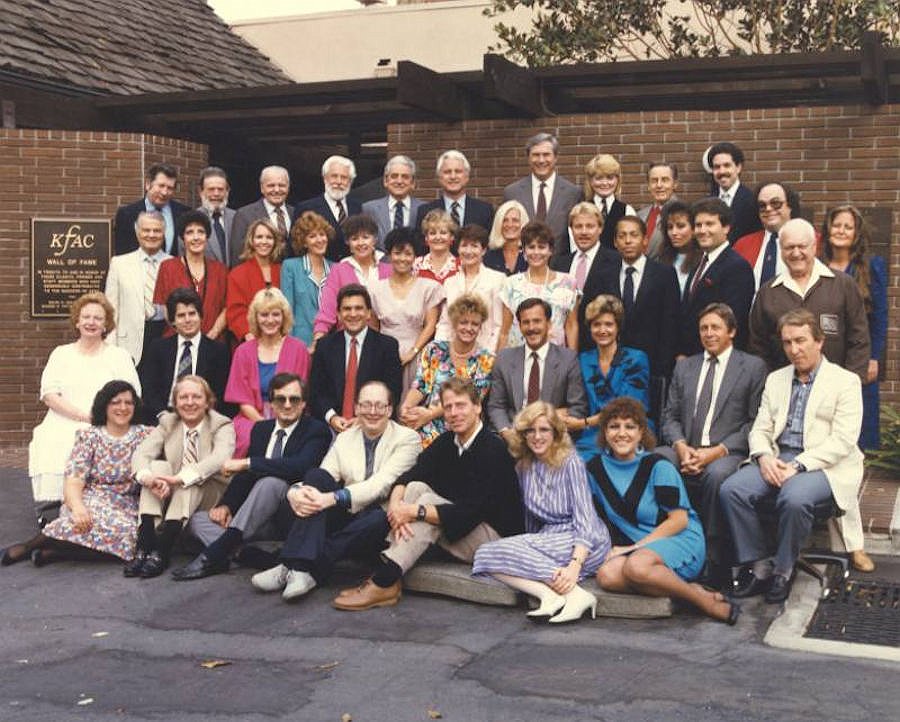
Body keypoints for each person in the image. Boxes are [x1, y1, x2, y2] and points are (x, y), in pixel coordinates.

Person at [332, 378, 524, 611]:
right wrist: (396, 506)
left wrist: (414, 511)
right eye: (448, 407)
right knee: (415, 488)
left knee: (426, 504)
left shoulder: (493, 450)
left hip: (495, 540)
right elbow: (409, 476)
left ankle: (385, 580)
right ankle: (390, 577)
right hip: (461, 525)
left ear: (477, 407)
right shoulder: (448, 442)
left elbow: (466, 514)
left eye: (461, 405)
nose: (454, 413)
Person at [721, 309, 867, 602]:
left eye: (801, 341)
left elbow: (843, 441)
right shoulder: (776, 379)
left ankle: (783, 571)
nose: (794, 349)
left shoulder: (845, 381)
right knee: (732, 490)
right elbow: (760, 428)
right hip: (778, 455)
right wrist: (763, 457)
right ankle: (759, 565)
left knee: (794, 498)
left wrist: (798, 466)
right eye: (787, 342)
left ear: (819, 341)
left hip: (824, 464)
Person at [252, 381, 421, 600]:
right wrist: (295, 491)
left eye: (379, 405)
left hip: (381, 522)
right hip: (349, 514)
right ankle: (297, 569)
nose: (372, 411)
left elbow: (381, 485)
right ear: (356, 408)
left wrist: (332, 498)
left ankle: (300, 566)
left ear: (389, 410)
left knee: (378, 518)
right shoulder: (345, 438)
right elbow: (325, 475)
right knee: (316, 476)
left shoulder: (408, 439)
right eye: (366, 405)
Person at [588, 397, 738, 624]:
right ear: (605, 433)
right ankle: (690, 590)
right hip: (641, 550)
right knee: (607, 576)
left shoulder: (658, 465)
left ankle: (703, 603)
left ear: (641, 433)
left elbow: (679, 521)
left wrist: (634, 548)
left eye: (630, 427)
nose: (622, 433)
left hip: (678, 538)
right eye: (614, 426)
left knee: (637, 567)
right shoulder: (595, 469)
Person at [172, 374, 330, 580]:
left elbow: (299, 466)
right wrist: (226, 506)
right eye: (280, 399)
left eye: (294, 399)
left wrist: (247, 462)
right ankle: (245, 554)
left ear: (303, 404)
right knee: (198, 520)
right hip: (254, 517)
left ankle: (215, 555)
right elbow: (246, 477)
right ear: (271, 403)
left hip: (289, 514)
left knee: (271, 483)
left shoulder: (316, 430)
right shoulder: (262, 429)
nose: (287, 405)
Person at [656, 303, 767, 585]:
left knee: (717, 475)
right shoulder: (685, 367)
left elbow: (754, 422)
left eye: (715, 327)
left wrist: (715, 453)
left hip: (727, 451)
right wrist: (681, 447)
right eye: (703, 328)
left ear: (732, 331)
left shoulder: (752, 367)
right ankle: (661, 542)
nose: (708, 333)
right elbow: (669, 416)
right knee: (656, 460)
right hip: (687, 447)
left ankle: (712, 555)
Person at [472, 402, 611, 623]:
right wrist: (526, 551)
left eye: (544, 430)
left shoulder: (571, 462)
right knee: (485, 554)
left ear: (555, 433)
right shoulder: (523, 467)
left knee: (495, 551)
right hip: (550, 539)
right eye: (531, 430)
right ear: (523, 435)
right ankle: (552, 595)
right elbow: (531, 523)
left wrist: (575, 565)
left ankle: (572, 592)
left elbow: (586, 520)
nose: (537, 436)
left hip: (584, 540)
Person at [4, 382, 151, 567]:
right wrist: (78, 507)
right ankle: (29, 546)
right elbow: (73, 480)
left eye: (128, 403)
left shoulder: (146, 435)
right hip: (91, 497)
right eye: (116, 402)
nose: (123, 408)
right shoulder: (89, 437)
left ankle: (58, 553)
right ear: (104, 405)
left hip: (127, 503)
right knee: (82, 522)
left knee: (129, 539)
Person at [28, 292, 140, 509]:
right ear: (77, 322)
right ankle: (64, 503)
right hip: (63, 418)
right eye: (86, 317)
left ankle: (94, 501)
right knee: (53, 438)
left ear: (106, 324)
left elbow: (131, 394)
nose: (91, 322)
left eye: (98, 318)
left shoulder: (119, 356)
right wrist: (82, 416)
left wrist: (102, 418)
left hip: (107, 422)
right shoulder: (61, 354)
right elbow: (49, 395)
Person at [127, 375, 235, 578]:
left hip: (209, 493)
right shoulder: (168, 422)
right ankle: (144, 543)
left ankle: (162, 549)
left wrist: (182, 478)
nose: (190, 402)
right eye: (183, 397)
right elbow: (142, 454)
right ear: (175, 403)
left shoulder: (221, 424)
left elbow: (220, 458)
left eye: (197, 397)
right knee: (157, 467)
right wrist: (149, 478)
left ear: (207, 401)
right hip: (172, 491)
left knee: (190, 480)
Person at [748, 218, 870, 381]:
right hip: (784, 389)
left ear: (814, 247)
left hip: (834, 388)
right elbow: (758, 347)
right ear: (781, 250)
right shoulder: (767, 293)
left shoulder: (843, 285)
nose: (796, 253)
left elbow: (859, 340)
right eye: (789, 247)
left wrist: (851, 383)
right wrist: (770, 385)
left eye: (802, 246)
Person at [579, 215, 680, 383]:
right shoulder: (601, 274)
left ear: (645, 240)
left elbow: (670, 323)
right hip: (607, 367)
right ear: (615, 242)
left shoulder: (664, 274)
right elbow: (587, 319)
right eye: (622, 236)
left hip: (651, 367)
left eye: (634, 235)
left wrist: (663, 368)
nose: (628, 241)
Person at [822, 205, 887, 450]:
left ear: (856, 233)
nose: (841, 231)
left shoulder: (871, 267)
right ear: (828, 229)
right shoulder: (818, 266)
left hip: (858, 353)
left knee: (858, 416)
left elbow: (880, 316)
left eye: (848, 227)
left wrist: (873, 357)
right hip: (826, 352)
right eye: (837, 225)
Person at [225, 288, 310, 457]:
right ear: (255, 318)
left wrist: (282, 422)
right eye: (264, 315)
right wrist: (265, 426)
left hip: (291, 415)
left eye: (275, 314)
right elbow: (243, 401)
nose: (270, 320)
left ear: (284, 316)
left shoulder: (299, 349)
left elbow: (300, 397)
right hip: (252, 418)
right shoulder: (243, 351)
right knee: (250, 439)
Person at [401, 294, 495, 447]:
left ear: (480, 326)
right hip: (426, 423)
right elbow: (421, 385)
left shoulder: (486, 359)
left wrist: (430, 414)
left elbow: (473, 399)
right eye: (463, 322)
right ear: (454, 323)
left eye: (475, 324)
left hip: (463, 426)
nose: (469, 328)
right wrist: (407, 408)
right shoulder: (435, 349)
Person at [308, 284, 403, 434]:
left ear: (368, 313)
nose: (353, 314)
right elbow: (315, 392)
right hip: (330, 428)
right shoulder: (324, 346)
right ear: (339, 314)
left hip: (374, 425)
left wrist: (362, 418)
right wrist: (332, 417)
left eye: (358, 308)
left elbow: (393, 391)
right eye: (347, 309)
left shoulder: (387, 346)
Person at [489, 298, 588, 441]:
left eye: (537, 321)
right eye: (526, 322)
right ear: (520, 326)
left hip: (552, 437)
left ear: (549, 324)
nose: (531, 328)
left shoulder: (568, 359)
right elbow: (496, 406)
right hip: (514, 435)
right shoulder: (505, 359)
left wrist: (546, 422)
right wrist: (507, 433)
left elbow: (578, 408)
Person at [370, 227, 444, 395]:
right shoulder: (375, 289)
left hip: (417, 355)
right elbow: (374, 327)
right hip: (384, 356)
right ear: (389, 255)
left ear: (415, 256)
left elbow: (431, 324)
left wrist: (413, 352)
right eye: (397, 253)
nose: (402, 258)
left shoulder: (428, 287)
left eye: (408, 254)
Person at [574, 295, 650, 456]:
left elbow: (627, 408)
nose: (602, 330)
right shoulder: (583, 359)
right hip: (592, 435)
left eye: (608, 324)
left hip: (629, 429)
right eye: (596, 324)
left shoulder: (636, 359)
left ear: (617, 327)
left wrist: (583, 423)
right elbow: (578, 400)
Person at [140, 288, 230, 423]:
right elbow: (149, 390)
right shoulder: (158, 348)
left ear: (200, 316)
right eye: (181, 315)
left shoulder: (218, 351)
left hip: (203, 418)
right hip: (163, 417)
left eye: (192, 314)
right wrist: (162, 415)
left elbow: (220, 395)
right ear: (173, 321)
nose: (187, 320)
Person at [678, 198, 754, 356]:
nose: (702, 230)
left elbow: (733, 321)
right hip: (692, 358)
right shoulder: (698, 262)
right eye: (698, 225)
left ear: (726, 227)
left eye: (709, 224)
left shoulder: (737, 267)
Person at [498, 221, 579, 349]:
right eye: (531, 247)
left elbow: (571, 326)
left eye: (541, 247)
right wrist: (500, 359)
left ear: (550, 250)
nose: (536, 252)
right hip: (518, 355)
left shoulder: (567, 283)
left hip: (555, 355)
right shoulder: (511, 284)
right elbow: (504, 331)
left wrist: (572, 357)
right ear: (524, 251)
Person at [311, 214, 391, 342]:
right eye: (354, 238)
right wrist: (317, 341)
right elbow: (327, 312)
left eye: (365, 237)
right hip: (347, 341)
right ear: (348, 242)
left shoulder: (389, 270)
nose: (360, 243)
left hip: (383, 342)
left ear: (374, 240)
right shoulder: (338, 270)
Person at [105, 210, 172, 365]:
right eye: (146, 230)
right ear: (137, 232)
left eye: (157, 230)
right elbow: (111, 310)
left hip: (164, 336)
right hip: (128, 344)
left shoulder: (174, 264)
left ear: (164, 233)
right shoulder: (119, 264)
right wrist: (110, 347)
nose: (151, 235)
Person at [153, 210, 228, 341]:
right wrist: (185, 335)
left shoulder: (220, 270)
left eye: (201, 232)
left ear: (207, 236)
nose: (196, 237)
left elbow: (227, 308)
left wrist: (212, 334)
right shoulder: (168, 267)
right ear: (183, 237)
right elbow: (165, 307)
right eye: (190, 232)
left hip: (213, 341)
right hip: (178, 341)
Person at [435, 224, 505, 352]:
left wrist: (488, 355)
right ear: (458, 249)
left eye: (474, 246)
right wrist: (440, 353)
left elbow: (498, 325)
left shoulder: (497, 280)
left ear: (483, 250)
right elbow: (444, 324)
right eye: (464, 245)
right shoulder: (450, 282)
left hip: (484, 351)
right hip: (452, 353)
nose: (468, 251)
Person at [502, 132, 581, 244]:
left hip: (559, 255)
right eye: (536, 155)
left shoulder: (572, 193)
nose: (541, 160)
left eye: (546, 154)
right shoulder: (512, 193)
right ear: (528, 158)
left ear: (555, 157)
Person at [733, 182, 803, 291]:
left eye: (775, 203)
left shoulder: (810, 242)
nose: (768, 209)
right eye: (762, 205)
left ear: (790, 206)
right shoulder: (742, 245)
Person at [280, 211, 335, 346]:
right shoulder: (290, 267)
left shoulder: (336, 269)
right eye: (312, 236)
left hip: (331, 342)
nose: (319, 240)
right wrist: (291, 345)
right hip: (301, 342)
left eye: (322, 234)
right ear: (304, 242)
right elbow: (287, 311)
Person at [226, 218, 284, 342]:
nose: (264, 241)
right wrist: (249, 334)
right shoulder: (237, 274)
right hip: (250, 339)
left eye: (269, 237)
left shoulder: (283, 271)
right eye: (259, 237)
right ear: (251, 240)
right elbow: (236, 311)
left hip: (280, 338)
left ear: (275, 242)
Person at [113, 162, 189, 255]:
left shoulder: (184, 213)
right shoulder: (126, 214)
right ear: (148, 184)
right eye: (161, 186)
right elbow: (122, 253)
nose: (165, 192)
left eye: (170, 188)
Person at [294, 155, 361, 261]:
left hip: (351, 269)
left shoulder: (357, 207)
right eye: (334, 176)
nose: (339, 181)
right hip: (318, 268)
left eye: (344, 177)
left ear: (350, 181)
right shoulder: (306, 208)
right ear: (325, 178)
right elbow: (297, 246)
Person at [414, 149, 494, 236]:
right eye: (447, 172)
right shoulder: (425, 211)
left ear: (467, 176)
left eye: (458, 171)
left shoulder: (485, 210)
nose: (453, 176)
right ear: (439, 177)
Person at [551, 202, 619, 296]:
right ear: (571, 230)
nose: (584, 232)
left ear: (600, 228)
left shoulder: (615, 261)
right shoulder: (559, 264)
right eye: (578, 226)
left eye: (590, 226)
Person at [230, 166, 295, 263]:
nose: (277, 190)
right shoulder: (244, 215)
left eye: (282, 185)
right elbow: (238, 255)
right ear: (262, 188)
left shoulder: (296, 213)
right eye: (271, 186)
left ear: (288, 187)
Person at [361, 155, 424, 249]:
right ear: (385, 181)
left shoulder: (423, 209)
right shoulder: (369, 209)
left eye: (405, 177)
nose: (399, 181)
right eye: (394, 176)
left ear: (413, 183)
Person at [706, 142, 761, 242]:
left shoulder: (753, 201)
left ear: (738, 167)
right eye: (717, 167)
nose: (722, 171)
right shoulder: (706, 202)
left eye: (727, 165)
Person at [582, 153, 635, 250]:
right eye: (599, 178)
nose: (605, 183)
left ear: (617, 180)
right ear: (590, 181)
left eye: (610, 178)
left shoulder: (627, 210)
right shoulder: (581, 210)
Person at [637, 162, 680, 259]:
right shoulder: (640, 215)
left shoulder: (684, 214)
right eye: (654, 181)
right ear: (648, 185)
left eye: (665, 180)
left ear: (675, 184)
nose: (659, 185)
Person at [656, 201, 700, 294]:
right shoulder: (662, 257)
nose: (674, 232)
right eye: (670, 227)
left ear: (693, 228)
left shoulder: (703, 259)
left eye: (680, 226)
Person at [195, 166, 235, 266]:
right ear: (201, 192)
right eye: (211, 189)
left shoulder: (237, 218)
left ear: (227, 191)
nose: (216, 194)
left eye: (220, 189)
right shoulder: (192, 220)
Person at [413, 209, 460, 284]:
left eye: (443, 233)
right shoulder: (416, 265)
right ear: (426, 238)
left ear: (452, 237)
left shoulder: (461, 266)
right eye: (432, 233)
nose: (438, 237)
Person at [484, 200, 529, 276]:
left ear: (523, 223)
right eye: (505, 220)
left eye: (515, 220)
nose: (510, 225)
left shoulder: (531, 255)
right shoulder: (488, 257)